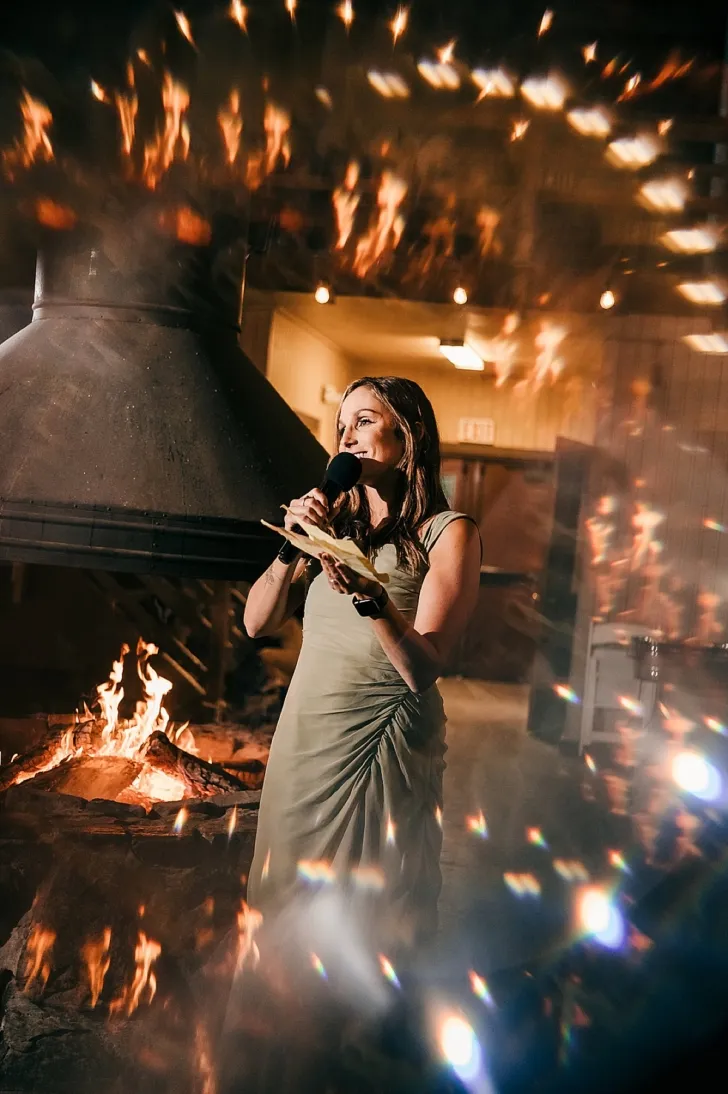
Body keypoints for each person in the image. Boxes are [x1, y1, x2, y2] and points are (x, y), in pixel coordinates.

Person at [244, 376, 481, 950]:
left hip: (382, 738)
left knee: (370, 906)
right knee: (282, 895)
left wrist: (370, 596)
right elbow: (256, 622)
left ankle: (353, 1034)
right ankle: (276, 1030)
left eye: (365, 422)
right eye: (342, 426)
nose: (347, 437)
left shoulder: (447, 535)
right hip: (307, 736)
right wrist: (293, 541)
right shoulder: (333, 530)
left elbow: (424, 668)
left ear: (410, 434)